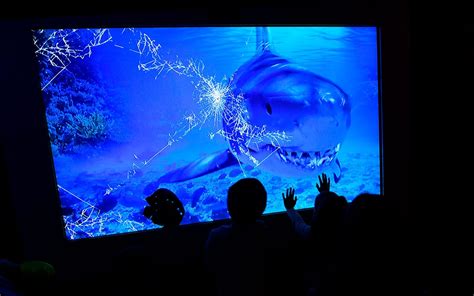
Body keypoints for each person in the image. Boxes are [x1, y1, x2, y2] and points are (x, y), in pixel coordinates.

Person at [283, 173, 348, 296]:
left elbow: (298, 224)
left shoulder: (312, 234)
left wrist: (290, 209)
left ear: (317, 215)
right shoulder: (348, 234)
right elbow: (334, 211)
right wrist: (325, 193)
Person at [204, 178, 272, 296]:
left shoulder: (217, 236)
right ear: (264, 206)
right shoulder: (269, 234)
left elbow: (210, 270)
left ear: (229, 208)